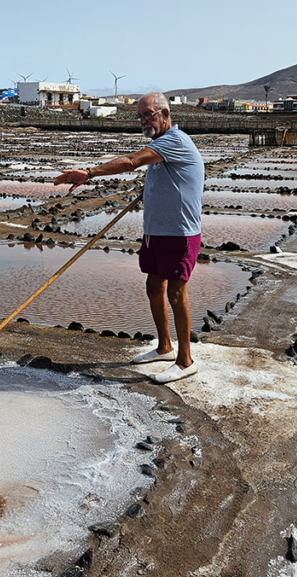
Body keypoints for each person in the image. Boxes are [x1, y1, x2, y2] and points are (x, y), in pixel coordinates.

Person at [53, 92, 204, 383]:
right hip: (156, 232)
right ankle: (164, 347)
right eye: (140, 116)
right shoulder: (161, 145)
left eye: (149, 114)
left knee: (175, 293)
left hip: (179, 233)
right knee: (153, 287)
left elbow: (132, 161)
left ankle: (185, 361)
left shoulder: (175, 140)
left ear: (165, 114)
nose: (144, 120)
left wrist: (89, 172)